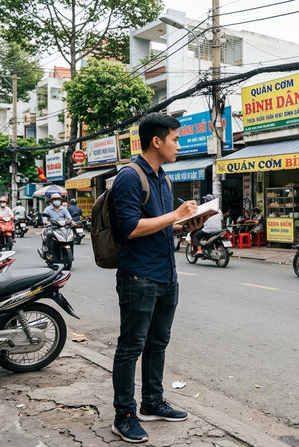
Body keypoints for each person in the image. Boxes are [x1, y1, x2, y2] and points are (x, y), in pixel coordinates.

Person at [110, 112, 202, 444]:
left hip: (166, 274)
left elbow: (163, 224)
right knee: (130, 346)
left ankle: (152, 401)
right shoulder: (130, 177)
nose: (180, 145)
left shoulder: (163, 178)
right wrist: (175, 215)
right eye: (176, 139)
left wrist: (185, 224)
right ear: (157, 141)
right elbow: (131, 228)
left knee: (157, 344)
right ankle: (124, 415)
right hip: (139, 276)